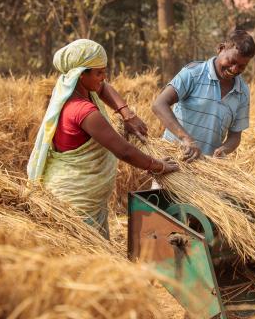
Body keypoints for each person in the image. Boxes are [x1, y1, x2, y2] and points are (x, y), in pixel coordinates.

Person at [27, 39, 178, 239]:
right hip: (75, 202)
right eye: (99, 72)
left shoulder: (76, 90)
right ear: (81, 75)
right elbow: (123, 150)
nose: (104, 77)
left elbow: (104, 88)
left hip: (86, 200)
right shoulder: (82, 111)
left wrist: (127, 115)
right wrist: (158, 166)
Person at [152, 30, 255, 161]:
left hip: (204, 171)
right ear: (221, 49)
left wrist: (224, 149)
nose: (234, 69)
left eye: (242, 66)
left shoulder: (242, 92)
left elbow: (235, 136)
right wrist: (186, 138)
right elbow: (159, 105)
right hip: (171, 161)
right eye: (231, 61)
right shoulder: (193, 73)